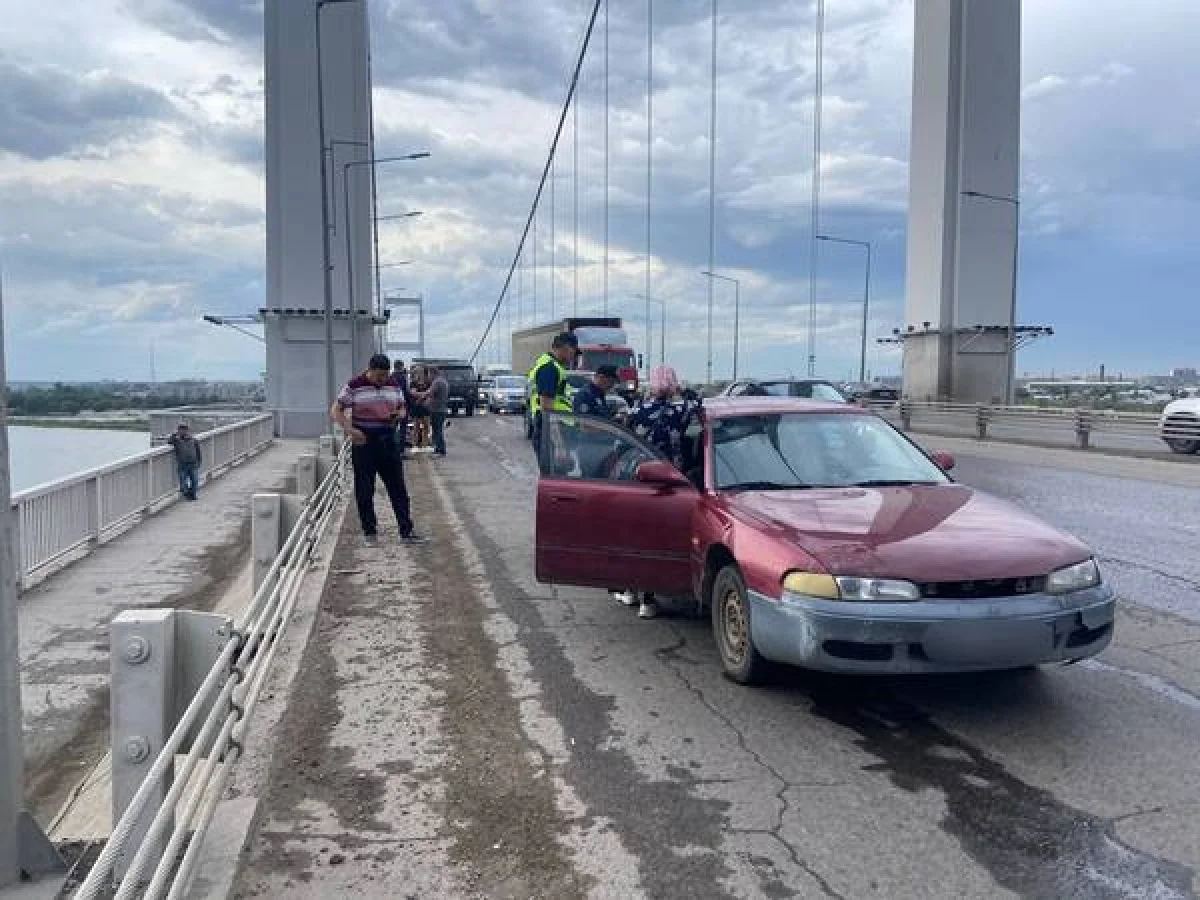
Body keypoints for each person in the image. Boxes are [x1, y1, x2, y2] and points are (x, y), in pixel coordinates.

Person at [620, 365, 703, 619]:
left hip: (643, 480)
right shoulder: (682, 411)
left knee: (637, 537)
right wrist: (683, 392)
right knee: (661, 539)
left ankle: (636, 593)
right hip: (672, 481)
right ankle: (654, 594)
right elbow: (699, 407)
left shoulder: (639, 410)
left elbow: (624, 434)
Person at [331, 353, 425, 544]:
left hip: (388, 440)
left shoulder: (393, 384)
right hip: (364, 441)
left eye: (385, 375)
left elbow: (403, 407)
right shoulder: (355, 385)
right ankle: (369, 532)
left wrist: (398, 414)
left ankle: (406, 531)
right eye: (379, 376)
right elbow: (335, 409)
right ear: (370, 370)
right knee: (365, 489)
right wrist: (349, 430)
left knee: (398, 488)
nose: (382, 379)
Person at [527, 331, 579, 458]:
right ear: (565, 348)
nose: (575, 356)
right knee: (555, 475)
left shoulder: (554, 367)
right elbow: (547, 409)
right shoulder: (549, 369)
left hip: (551, 430)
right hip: (551, 432)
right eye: (574, 351)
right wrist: (559, 444)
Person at [167, 422, 202, 501]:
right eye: (181, 429)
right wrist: (174, 435)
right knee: (183, 482)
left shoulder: (194, 440)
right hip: (182, 464)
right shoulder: (176, 440)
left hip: (193, 463)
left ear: (188, 430)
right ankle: (187, 494)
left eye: (185, 429)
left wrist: (199, 461)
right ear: (178, 430)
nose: (183, 431)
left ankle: (192, 494)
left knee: (195, 480)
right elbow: (169, 441)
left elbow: (198, 451)